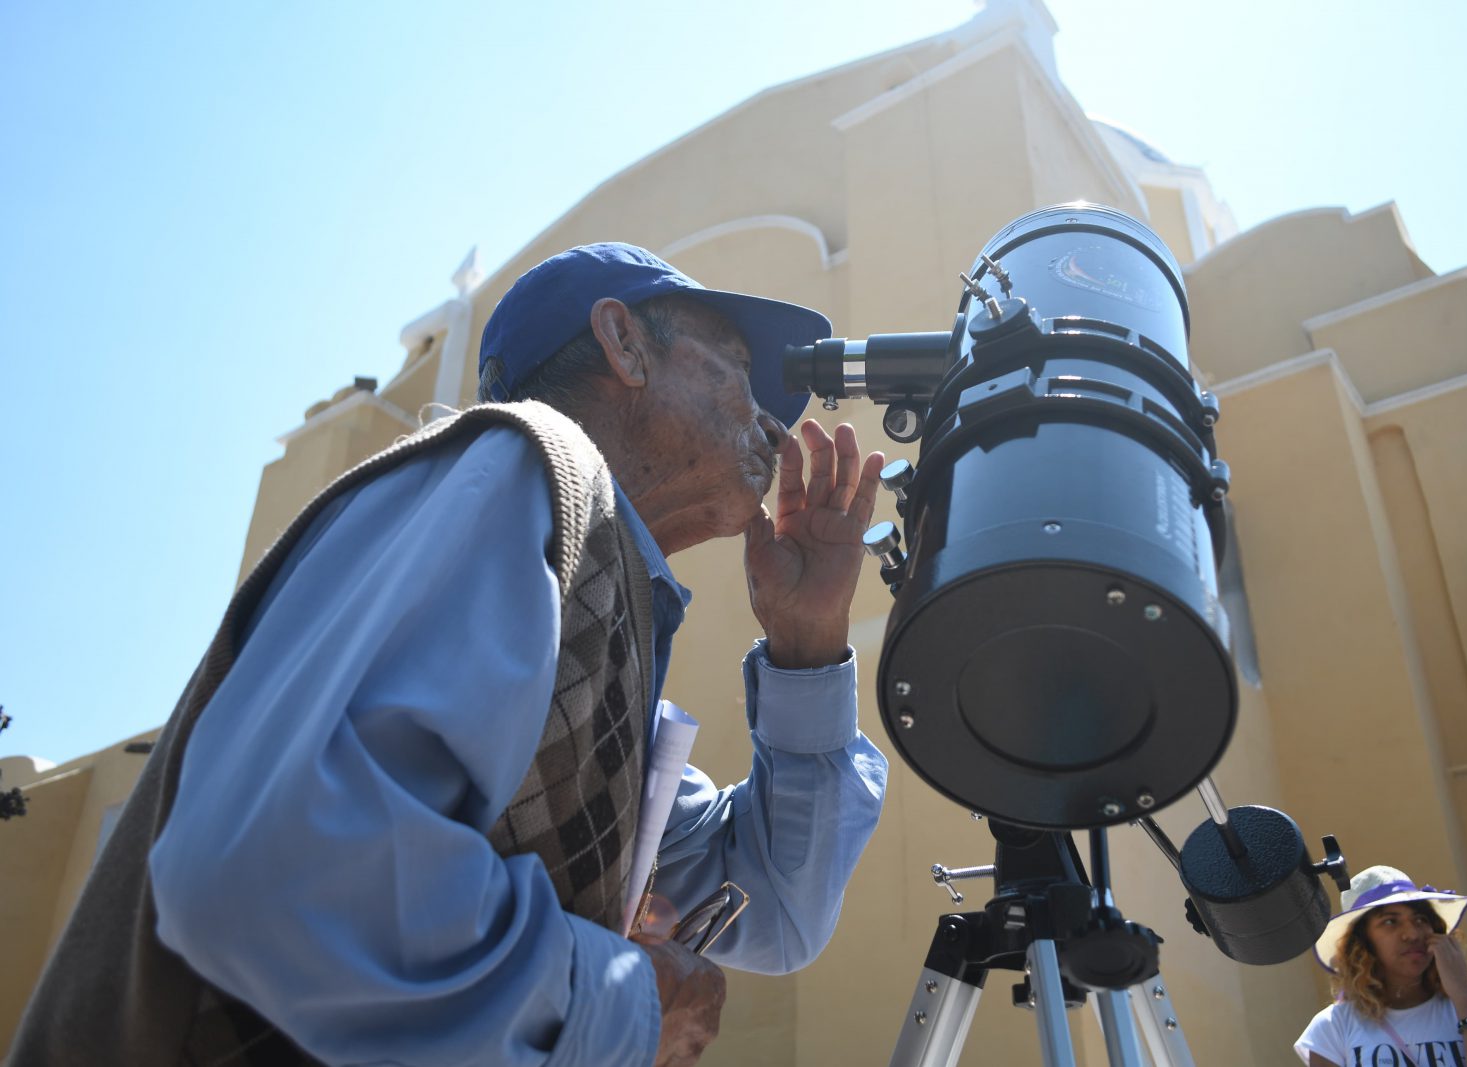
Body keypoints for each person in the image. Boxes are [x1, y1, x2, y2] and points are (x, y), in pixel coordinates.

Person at [13, 243, 891, 1067]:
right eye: (738, 368)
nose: (778, 426)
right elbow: (272, 873)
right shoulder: (528, 467)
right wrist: (626, 1002)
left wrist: (808, 642)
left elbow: (778, 906)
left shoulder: (591, 630)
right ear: (624, 342)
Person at [1296, 865, 1467, 1067]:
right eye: (1390, 921)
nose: (1413, 934)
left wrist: (1464, 996)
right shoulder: (1332, 1028)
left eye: (1420, 919)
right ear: (1362, 943)